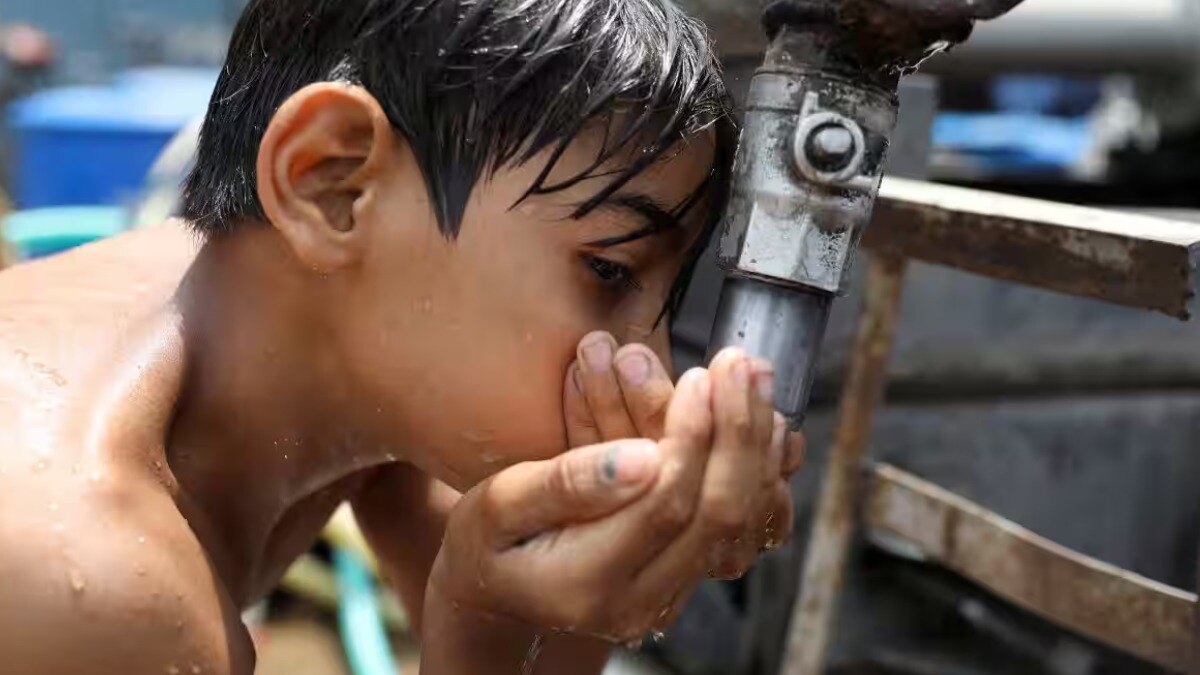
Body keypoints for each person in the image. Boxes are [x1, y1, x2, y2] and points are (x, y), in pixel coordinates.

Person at [0, 1, 805, 673]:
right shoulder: (98, 580)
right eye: (607, 270)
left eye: (665, 307)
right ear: (333, 183)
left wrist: (596, 571)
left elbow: (528, 607)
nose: (650, 369)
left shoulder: (323, 352)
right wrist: (474, 632)